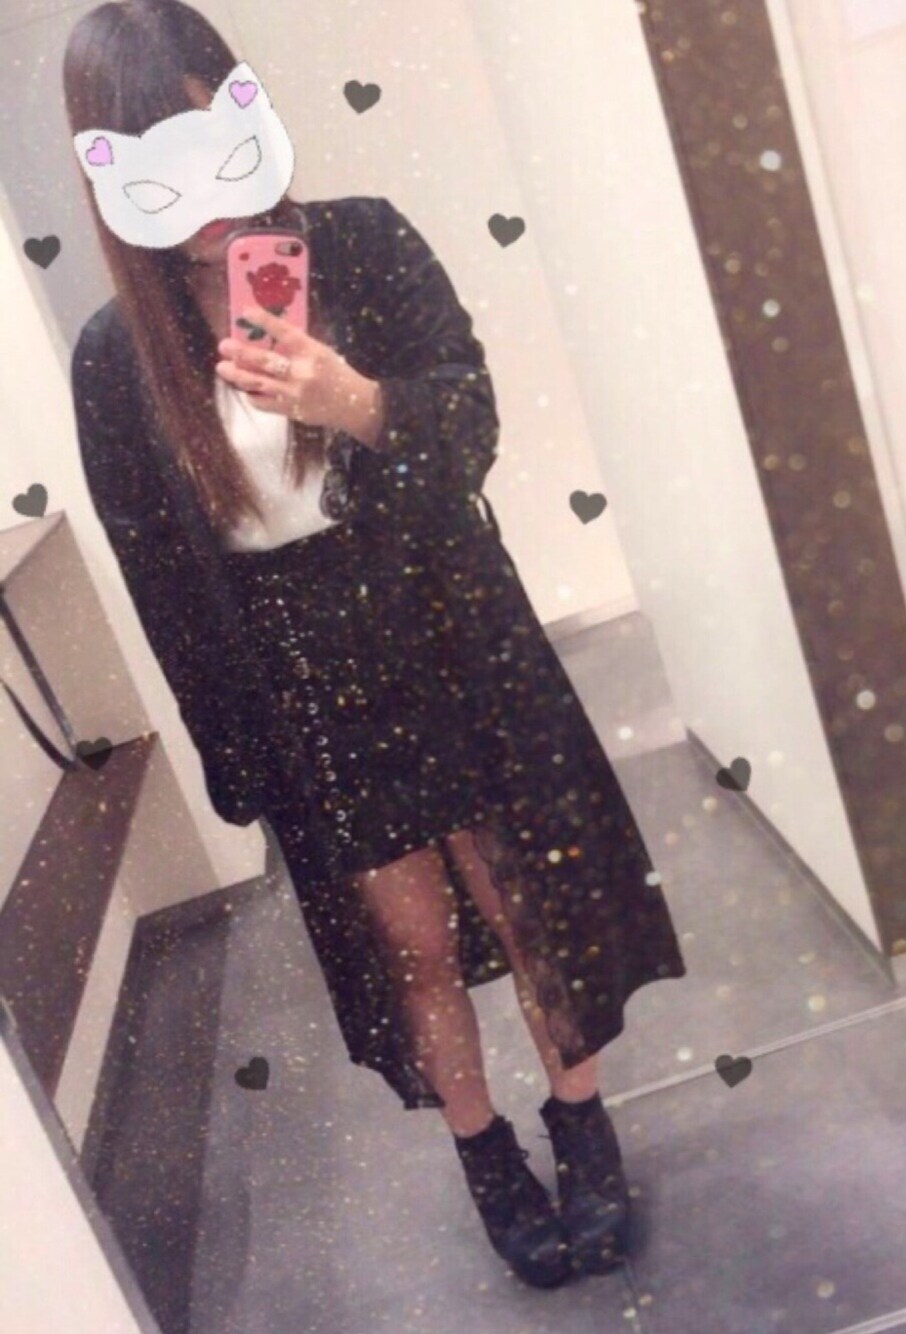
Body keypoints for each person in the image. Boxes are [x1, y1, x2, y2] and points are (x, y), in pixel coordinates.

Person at [64, 0, 687, 1290]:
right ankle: (485, 1152)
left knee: (524, 898)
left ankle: (581, 1120)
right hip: (302, 672)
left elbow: (469, 426)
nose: (205, 192)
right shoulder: (117, 356)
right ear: (111, 175)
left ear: (245, 108)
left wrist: (352, 400)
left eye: (211, 136)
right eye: (160, 163)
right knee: (411, 940)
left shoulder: (363, 243)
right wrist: (235, 759)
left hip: (446, 617)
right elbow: (160, 578)